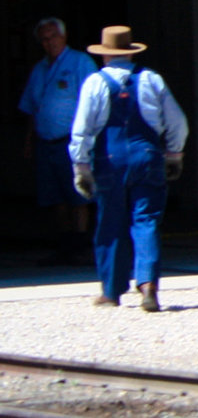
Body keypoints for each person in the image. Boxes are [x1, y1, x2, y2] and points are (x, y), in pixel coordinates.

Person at [68, 26, 187, 312]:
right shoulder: (151, 79)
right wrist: (174, 154)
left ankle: (111, 291)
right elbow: (178, 122)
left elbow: (81, 129)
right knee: (145, 221)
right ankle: (148, 287)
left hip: (110, 158)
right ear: (131, 52)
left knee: (110, 223)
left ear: (105, 55)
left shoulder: (95, 83)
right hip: (147, 156)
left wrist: (81, 166)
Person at [18, 18, 96, 260]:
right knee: (54, 196)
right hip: (45, 142)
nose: (48, 42)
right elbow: (32, 107)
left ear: (64, 37)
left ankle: (81, 244)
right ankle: (64, 245)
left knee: (78, 194)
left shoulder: (80, 62)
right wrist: (29, 140)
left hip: (71, 141)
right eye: (44, 38)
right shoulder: (39, 69)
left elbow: (94, 101)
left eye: (53, 36)